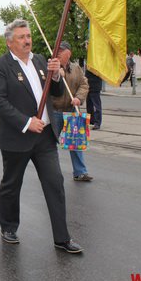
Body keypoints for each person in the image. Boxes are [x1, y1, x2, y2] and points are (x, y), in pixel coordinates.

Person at [0, 19, 82, 254]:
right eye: (21, 37)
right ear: (10, 42)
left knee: (55, 184)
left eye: (28, 35)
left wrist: (57, 76)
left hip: (45, 138)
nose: (27, 40)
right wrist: (27, 122)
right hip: (17, 137)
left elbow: (57, 93)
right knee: (12, 185)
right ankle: (8, 226)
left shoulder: (41, 60)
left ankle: (62, 238)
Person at [51, 41, 92, 182]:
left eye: (61, 51)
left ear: (69, 53)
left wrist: (79, 98)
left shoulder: (76, 68)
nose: (58, 53)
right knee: (50, 144)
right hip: (54, 110)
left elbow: (84, 85)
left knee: (76, 142)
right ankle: (50, 172)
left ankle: (80, 172)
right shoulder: (50, 67)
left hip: (72, 110)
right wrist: (56, 74)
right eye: (57, 50)